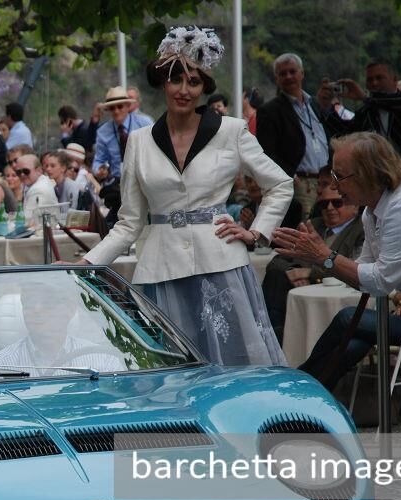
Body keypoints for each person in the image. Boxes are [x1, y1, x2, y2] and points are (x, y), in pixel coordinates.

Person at [272, 131, 401, 500]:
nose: (334, 183)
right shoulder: (377, 210)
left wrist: (326, 258)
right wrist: (323, 259)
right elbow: (367, 270)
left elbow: (381, 279)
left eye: (341, 174)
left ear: (370, 174)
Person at [80, 26, 292, 366]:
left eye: (194, 82)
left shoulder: (231, 130)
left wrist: (256, 232)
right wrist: (87, 263)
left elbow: (280, 184)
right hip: (161, 271)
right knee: (171, 369)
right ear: (163, 82)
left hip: (221, 265)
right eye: (176, 80)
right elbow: (129, 222)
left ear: (204, 87)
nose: (184, 90)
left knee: (236, 365)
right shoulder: (138, 141)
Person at [320, 61, 401, 190]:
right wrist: (326, 106)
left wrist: (365, 97)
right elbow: (344, 135)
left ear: (394, 80)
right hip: (388, 182)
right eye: (370, 80)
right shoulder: (367, 111)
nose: (374, 83)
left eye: (379, 78)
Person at [261, 182, 364, 340]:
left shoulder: (361, 229)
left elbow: (355, 267)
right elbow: (277, 260)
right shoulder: (312, 225)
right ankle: (270, 336)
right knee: (276, 273)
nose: (329, 208)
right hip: (297, 292)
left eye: (337, 203)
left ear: (355, 206)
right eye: (323, 204)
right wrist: (293, 270)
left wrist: (310, 273)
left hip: (337, 293)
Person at [256, 53, 331, 221]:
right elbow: (266, 152)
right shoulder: (270, 111)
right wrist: (290, 176)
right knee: (307, 228)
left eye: (292, 71)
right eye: (283, 74)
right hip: (300, 184)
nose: (288, 76)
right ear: (277, 79)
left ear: (302, 73)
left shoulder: (315, 104)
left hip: (326, 180)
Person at [0, 284, 127, 374]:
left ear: (70, 310)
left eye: (48, 303)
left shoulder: (103, 361)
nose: (37, 310)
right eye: (29, 303)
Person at [93, 86, 154, 182]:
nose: (116, 111)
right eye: (112, 108)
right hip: (118, 183)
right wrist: (99, 170)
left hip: (144, 179)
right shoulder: (102, 132)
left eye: (120, 106)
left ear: (127, 106)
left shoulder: (145, 124)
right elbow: (98, 161)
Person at [16, 153, 58, 226]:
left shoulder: (38, 189)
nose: (22, 175)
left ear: (38, 170)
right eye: (19, 172)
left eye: (26, 171)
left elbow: (27, 222)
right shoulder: (41, 182)